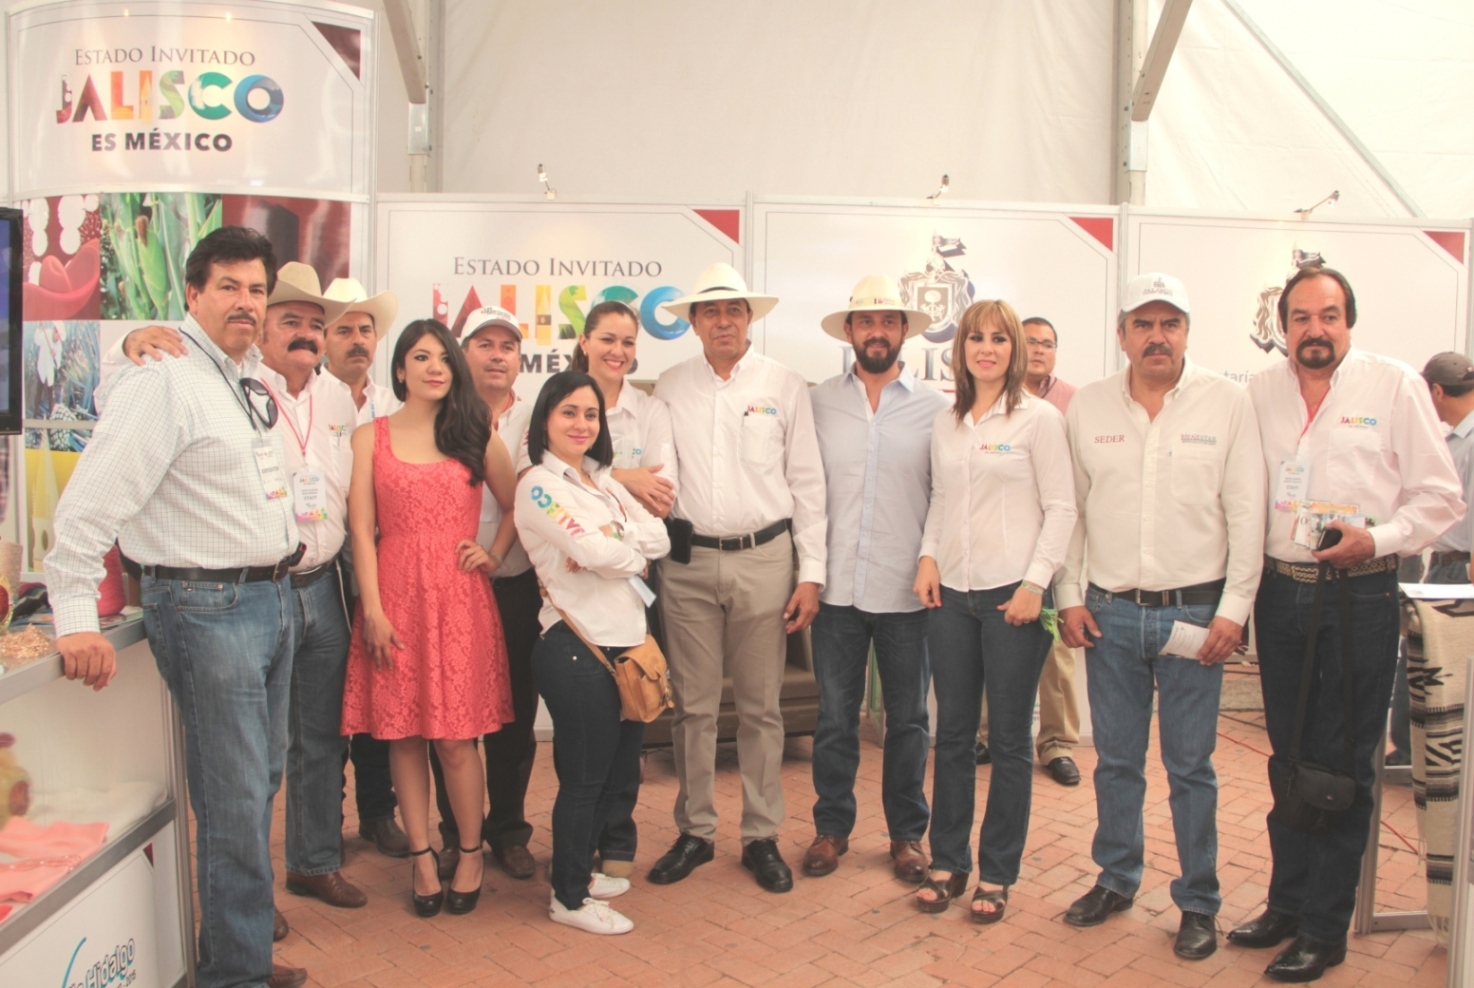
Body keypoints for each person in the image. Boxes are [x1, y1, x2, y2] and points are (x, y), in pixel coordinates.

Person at [47, 226, 309, 988]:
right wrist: (73, 614)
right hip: (206, 607)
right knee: (233, 803)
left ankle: (237, 952)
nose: (245, 302)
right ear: (192, 294)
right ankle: (235, 976)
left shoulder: (241, 375)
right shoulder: (163, 377)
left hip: (269, 598)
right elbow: (89, 504)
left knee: (257, 787)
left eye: (256, 289)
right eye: (228, 287)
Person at [1231, 266, 1463, 983]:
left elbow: (1440, 497)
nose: (1315, 330)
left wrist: (1379, 538)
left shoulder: (1393, 386)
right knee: (1289, 754)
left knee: (1346, 761)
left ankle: (1325, 928)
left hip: (1360, 591)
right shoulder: (1259, 392)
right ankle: (1287, 903)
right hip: (1282, 592)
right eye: (1301, 317)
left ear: (1348, 322)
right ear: (1283, 327)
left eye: (1328, 315)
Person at [1057, 273, 1265, 962]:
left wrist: (1234, 610)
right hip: (1110, 615)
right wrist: (1069, 595)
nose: (1157, 337)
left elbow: (1246, 512)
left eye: (1169, 324)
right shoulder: (1088, 406)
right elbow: (1071, 511)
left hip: (1196, 617)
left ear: (1186, 333)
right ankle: (1116, 879)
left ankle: (1198, 901)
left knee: (1190, 768)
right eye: (1143, 324)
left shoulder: (1227, 402)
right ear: (1121, 335)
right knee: (1116, 762)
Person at [650, 262, 826, 893]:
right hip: (688, 563)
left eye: (733, 310)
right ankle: (695, 831)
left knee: (761, 707)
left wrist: (811, 573)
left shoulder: (784, 384)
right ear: (694, 322)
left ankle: (761, 835)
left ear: (749, 319)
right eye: (710, 311)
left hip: (765, 559)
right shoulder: (670, 386)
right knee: (693, 708)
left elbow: (807, 482)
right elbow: (657, 477)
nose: (723, 321)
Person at [339, 318, 517, 918]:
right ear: (400, 369)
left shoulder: (475, 430)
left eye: (443, 357)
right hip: (393, 598)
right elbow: (361, 529)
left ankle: (469, 851)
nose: (435, 367)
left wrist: (494, 554)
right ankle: (420, 856)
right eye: (420, 357)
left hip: (459, 601)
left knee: (456, 739)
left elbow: (517, 504)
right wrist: (373, 609)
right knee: (404, 735)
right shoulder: (370, 437)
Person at [911, 299, 1075, 922]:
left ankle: (998, 873)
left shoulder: (1040, 420)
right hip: (951, 596)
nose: (986, 348)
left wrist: (1037, 584)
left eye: (999, 339)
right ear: (961, 349)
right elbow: (940, 498)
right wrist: (928, 558)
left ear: (1015, 349)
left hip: (1014, 598)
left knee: (1009, 741)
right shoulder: (946, 421)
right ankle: (949, 861)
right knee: (953, 735)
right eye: (975, 338)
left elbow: (1062, 509)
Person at [515, 370, 671, 935]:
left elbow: (660, 537)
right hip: (576, 647)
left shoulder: (604, 481)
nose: (581, 424)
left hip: (627, 643)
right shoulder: (538, 485)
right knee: (583, 778)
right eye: (568, 413)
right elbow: (596, 550)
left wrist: (612, 545)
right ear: (545, 420)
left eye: (590, 414)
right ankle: (569, 896)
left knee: (614, 773)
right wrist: (619, 549)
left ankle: (579, 868)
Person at [803, 276, 946, 883]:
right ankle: (831, 828)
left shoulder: (936, 409)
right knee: (835, 716)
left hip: (905, 589)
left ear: (905, 330)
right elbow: (804, 490)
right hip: (835, 587)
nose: (877, 331)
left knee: (908, 720)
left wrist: (931, 558)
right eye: (866, 321)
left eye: (888, 321)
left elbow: (946, 495)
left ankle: (907, 835)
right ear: (849, 331)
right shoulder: (817, 403)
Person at [429, 305, 542, 884]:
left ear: (519, 359)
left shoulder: (539, 417)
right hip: (450, 590)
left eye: (508, 346)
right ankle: (457, 834)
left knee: (515, 718)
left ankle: (509, 832)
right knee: (452, 719)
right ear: (462, 352)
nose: (498, 356)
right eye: (485, 344)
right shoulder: (436, 415)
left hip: (517, 586)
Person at [570, 299, 679, 878]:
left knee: (633, 714)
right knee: (585, 724)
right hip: (573, 588)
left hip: (634, 585)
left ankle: (618, 836)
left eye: (628, 342)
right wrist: (625, 480)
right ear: (584, 341)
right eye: (607, 339)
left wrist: (602, 481)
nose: (618, 351)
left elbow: (662, 497)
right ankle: (578, 839)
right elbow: (552, 483)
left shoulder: (650, 409)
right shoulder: (562, 401)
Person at [320, 277, 409, 858]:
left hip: (384, 569)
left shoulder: (395, 408)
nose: (357, 340)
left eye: (366, 330)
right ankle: (324, 822)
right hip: (323, 569)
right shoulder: (304, 397)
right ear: (324, 338)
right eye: (344, 329)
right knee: (325, 702)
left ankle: (379, 813)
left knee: (380, 689)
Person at [976, 315, 1083, 787]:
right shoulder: (987, 399)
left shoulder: (1072, 404)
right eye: (1031, 341)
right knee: (992, 650)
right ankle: (987, 735)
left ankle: (1057, 744)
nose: (1039, 350)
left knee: (1055, 656)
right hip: (997, 554)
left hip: (1054, 552)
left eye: (1048, 343)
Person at [1421, 352, 1474, 583]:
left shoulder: (1470, 441)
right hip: (1449, 566)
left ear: (1437, 391)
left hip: (1462, 570)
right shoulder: (1458, 439)